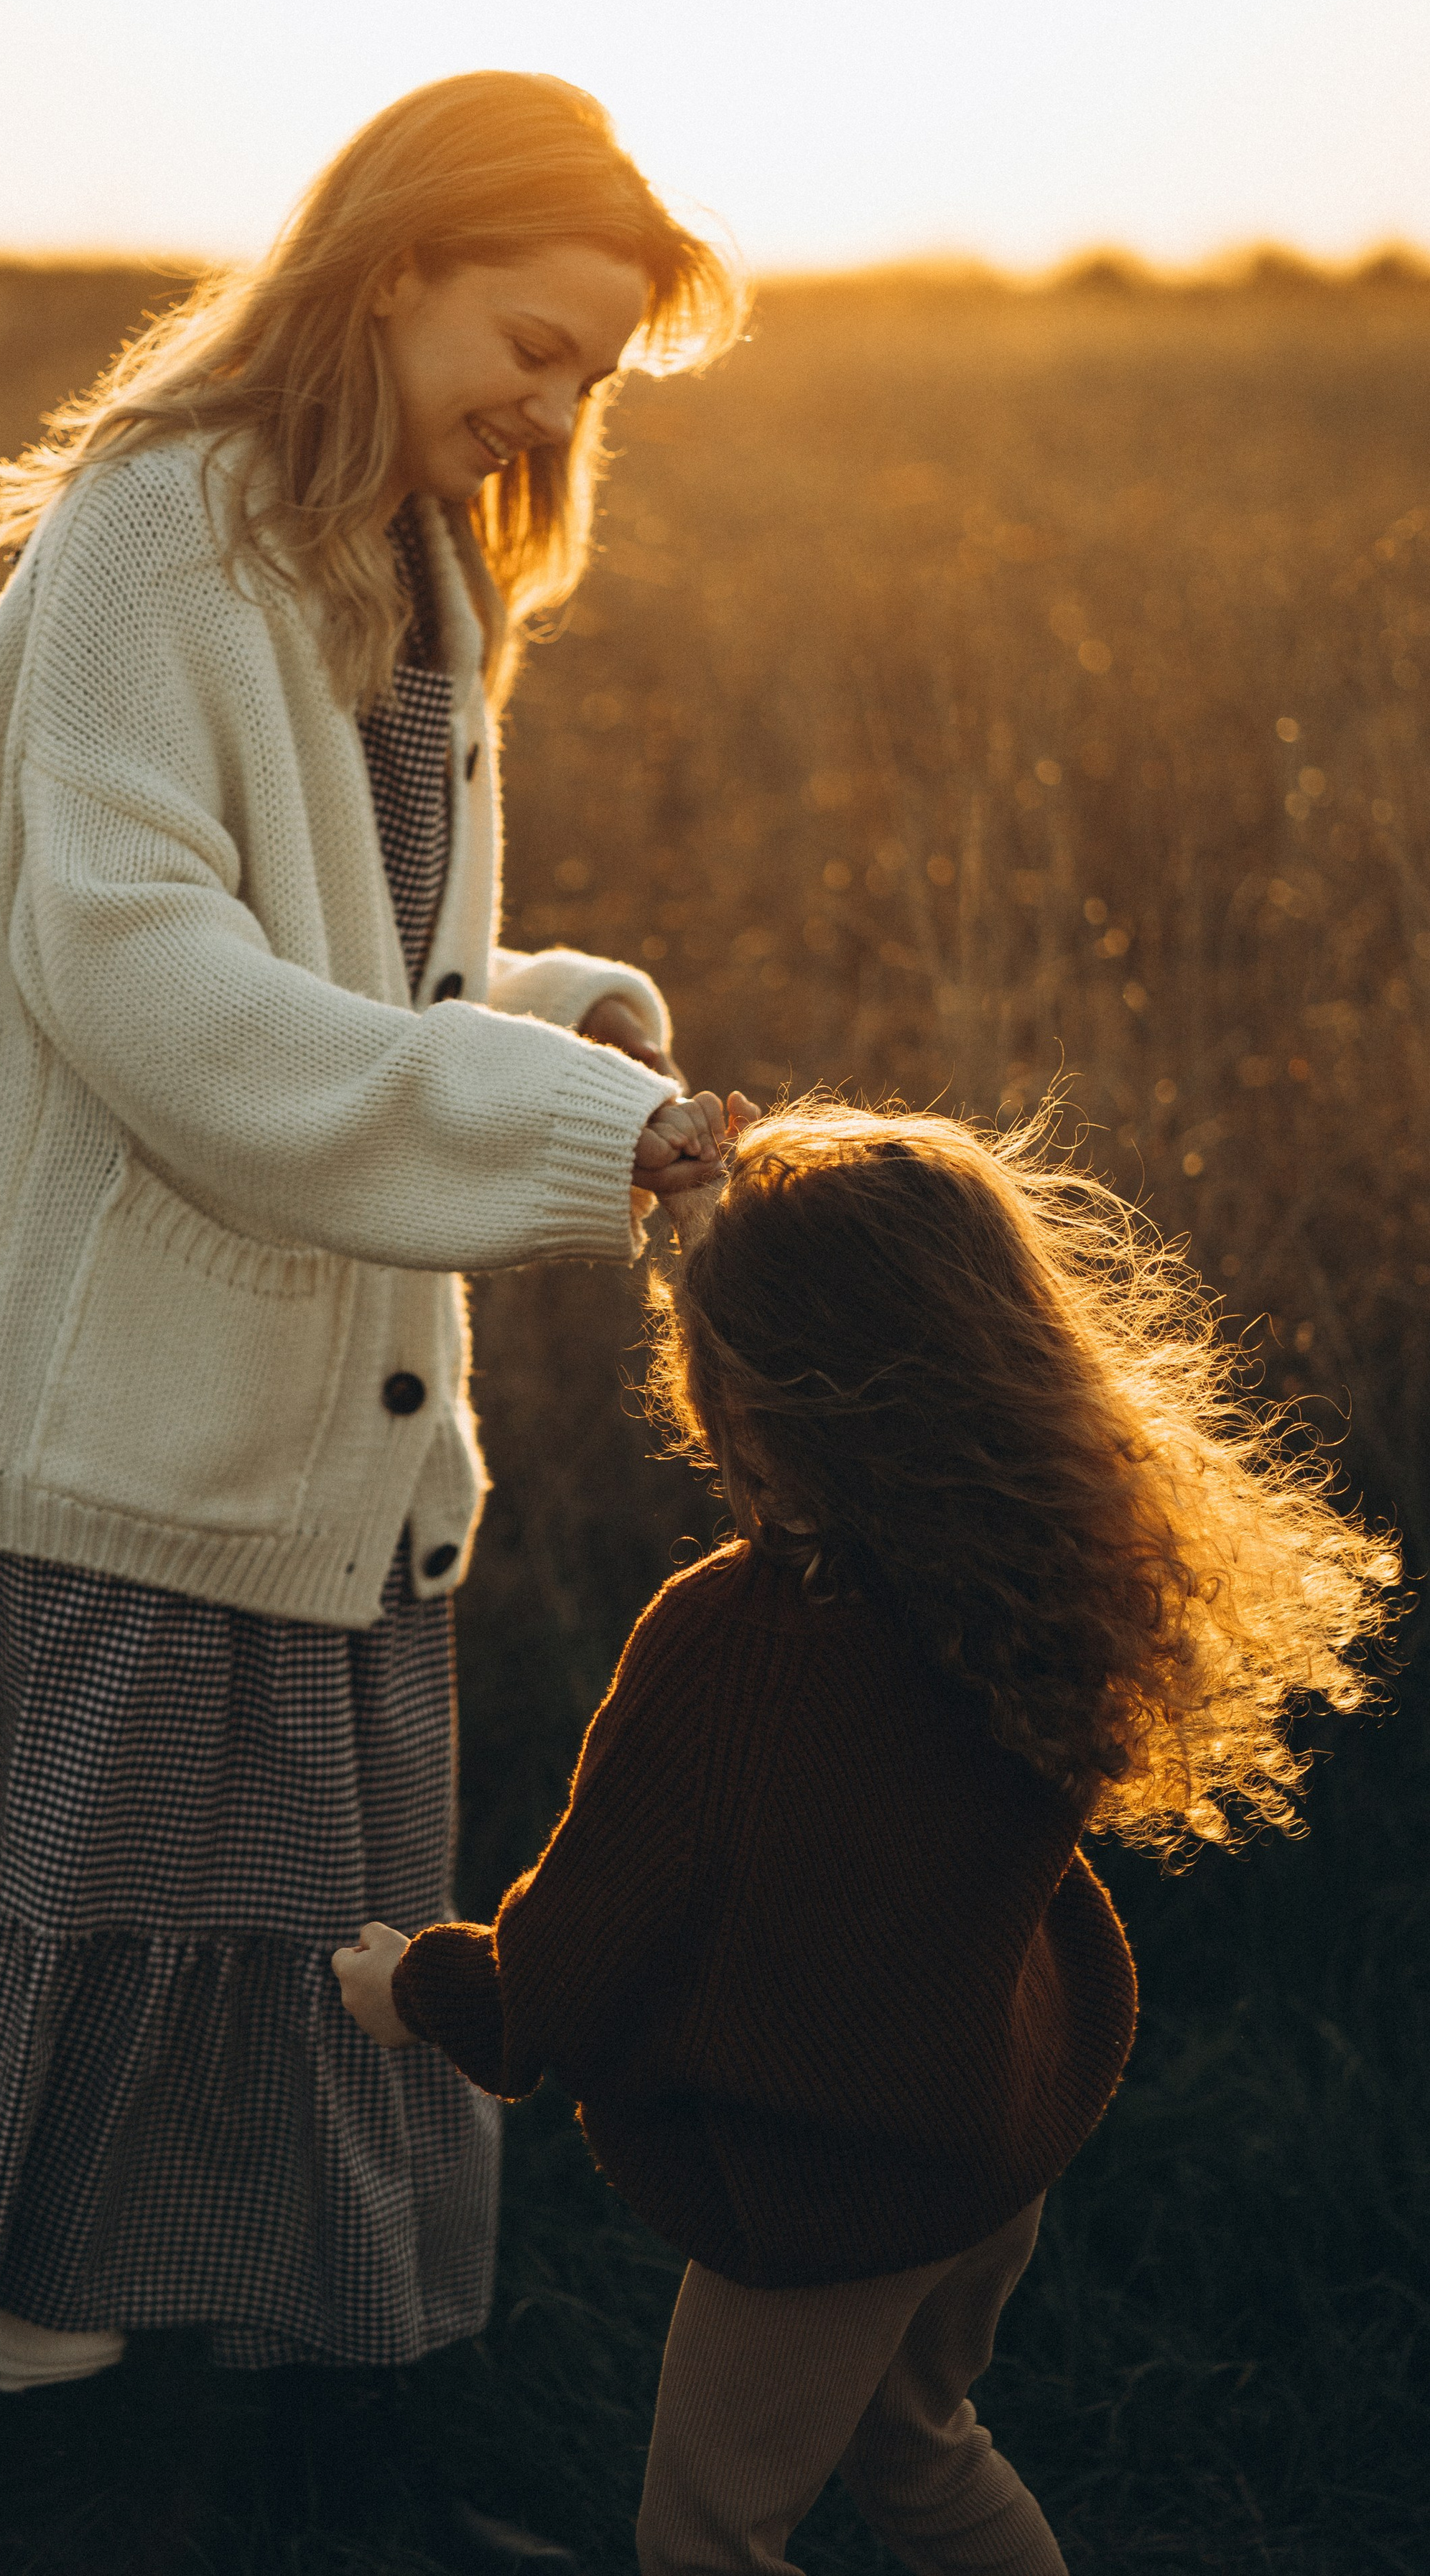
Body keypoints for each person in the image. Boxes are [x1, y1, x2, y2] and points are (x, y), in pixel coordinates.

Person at [0, 71, 746, 2442]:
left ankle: (201, 2393)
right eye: (531, 341)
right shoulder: (168, 531)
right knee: (101, 1954)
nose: (556, 404)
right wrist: (573, 1129)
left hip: (293, 1398)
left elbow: (353, 975)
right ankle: (27, 2438)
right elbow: (145, 983)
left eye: (595, 377)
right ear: (394, 261)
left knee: (247, 1965)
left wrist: (562, 1024)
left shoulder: (412, 562)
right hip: (116, 1408)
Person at [334, 1095, 1396, 2576]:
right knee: (921, 2453)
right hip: (981, 2149)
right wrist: (735, 1237)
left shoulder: (732, 1645)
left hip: (824, 2192)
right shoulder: (1033, 1578)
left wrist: (418, 1994)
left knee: (705, 2533)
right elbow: (843, 1334)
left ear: (751, 1395)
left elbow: (574, 1943)